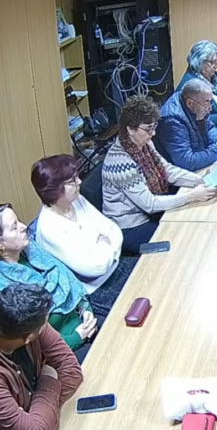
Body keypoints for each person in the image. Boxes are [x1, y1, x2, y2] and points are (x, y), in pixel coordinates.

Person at [102, 95, 217, 254]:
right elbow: (149, 204)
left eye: (154, 126)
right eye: (148, 129)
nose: (154, 133)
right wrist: (191, 196)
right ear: (130, 129)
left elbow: (167, 170)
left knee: (192, 222)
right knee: (182, 241)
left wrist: (199, 180)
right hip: (129, 226)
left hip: (148, 214)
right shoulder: (120, 163)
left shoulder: (144, 144)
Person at [31, 155, 128, 317]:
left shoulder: (77, 200)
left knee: (156, 272)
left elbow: (115, 231)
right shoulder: (50, 227)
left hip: (116, 266)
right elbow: (96, 267)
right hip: (98, 290)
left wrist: (99, 249)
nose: (79, 182)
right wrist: (104, 242)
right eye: (72, 181)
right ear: (53, 190)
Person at [0, 204, 99, 360]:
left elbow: (69, 281)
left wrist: (86, 310)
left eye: (19, 221)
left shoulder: (32, 250)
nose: (24, 226)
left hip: (84, 321)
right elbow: (30, 340)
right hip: (62, 351)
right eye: (14, 227)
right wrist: (76, 338)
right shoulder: (5, 291)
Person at [0, 283, 83, 430]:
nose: (46, 326)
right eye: (43, 326)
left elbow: (71, 370)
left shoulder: (27, 321)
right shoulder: (30, 327)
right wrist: (49, 379)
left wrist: (43, 417)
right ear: (28, 338)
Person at [156, 78, 217, 172]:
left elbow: (209, 127)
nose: (210, 108)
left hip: (198, 165)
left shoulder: (197, 105)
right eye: (206, 102)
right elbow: (186, 162)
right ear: (190, 103)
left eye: (210, 101)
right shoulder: (172, 121)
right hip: (180, 175)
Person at [176, 40, 217, 131]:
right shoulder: (192, 85)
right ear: (199, 61)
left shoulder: (213, 76)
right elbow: (194, 120)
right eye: (212, 62)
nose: (216, 66)